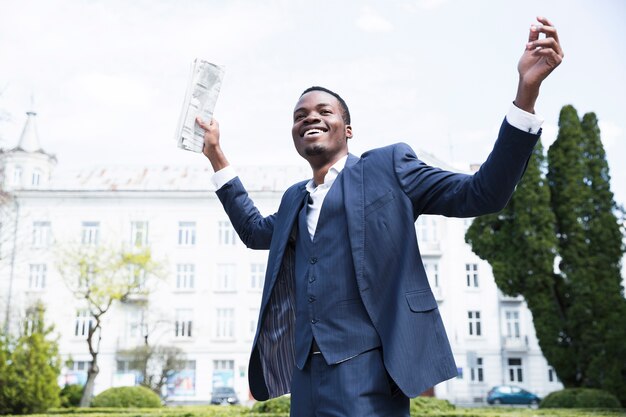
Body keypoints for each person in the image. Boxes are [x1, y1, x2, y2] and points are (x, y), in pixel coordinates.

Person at [197, 16, 563, 417]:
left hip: (369, 374)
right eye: (300, 115)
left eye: (324, 111)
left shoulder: (389, 168)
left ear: (348, 130)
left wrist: (525, 95)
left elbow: (483, 193)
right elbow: (252, 230)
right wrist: (215, 152)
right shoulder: (293, 201)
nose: (310, 118)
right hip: (304, 376)